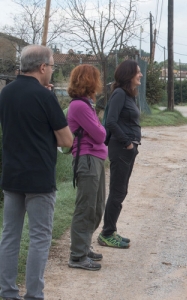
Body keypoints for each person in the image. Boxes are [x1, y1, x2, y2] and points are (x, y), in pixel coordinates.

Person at [0, 45, 73, 300]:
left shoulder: (5, 93)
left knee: (9, 236)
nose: (52, 70)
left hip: (11, 175)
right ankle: (33, 295)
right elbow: (66, 140)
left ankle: (8, 293)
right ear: (42, 67)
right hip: (39, 178)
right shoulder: (45, 97)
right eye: (52, 66)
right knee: (39, 237)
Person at [97, 60, 142, 248]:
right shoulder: (119, 94)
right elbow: (111, 122)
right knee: (117, 191)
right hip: (121, 149)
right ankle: (106, 233)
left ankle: (111, 230)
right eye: (138, 72)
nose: (140, 75)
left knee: (121, 191)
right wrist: (128, 144)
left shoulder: (129, 95)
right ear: (129, 75)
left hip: (128, 150)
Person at [66, 65, 107, 271]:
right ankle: (77, 255)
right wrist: (100, 128)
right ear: (89, 81)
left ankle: (83, 245)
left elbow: (99, 131)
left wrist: (99, 128)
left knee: (97, 206)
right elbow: (100, 135)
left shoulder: (87, 104)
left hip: (95, 158)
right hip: (87, 158)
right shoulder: (80, 107)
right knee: (86, 207)